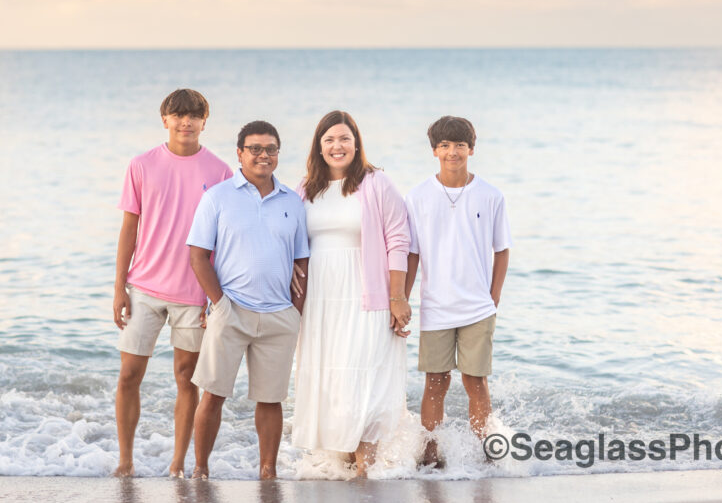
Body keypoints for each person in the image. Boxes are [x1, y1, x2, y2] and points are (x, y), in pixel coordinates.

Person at [111, 88, 232, 478]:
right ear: (164, 120)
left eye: (194, 116)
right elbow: (129, 228)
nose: (186, 122)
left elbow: (224, 240)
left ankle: (179, 463)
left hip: (193, 294)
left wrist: (212, 298)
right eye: (178, 115)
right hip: (143, 288)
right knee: (129, 375)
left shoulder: (219, 172)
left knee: (186, 378)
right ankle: (126, 461)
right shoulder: (142, 165)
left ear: (204, 122)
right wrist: (118, 287)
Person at [186, 120, 310, 480]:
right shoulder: (218, 198)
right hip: (231, 312)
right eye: (254, 148)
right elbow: (198, 256)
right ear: (239, 153)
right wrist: (220, 305)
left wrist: (295, 312)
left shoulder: (292, 202)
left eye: (271, 149)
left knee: (271, 400)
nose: (263, 155)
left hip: (279, 317)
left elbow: (301, 259)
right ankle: (200, 470)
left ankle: (268, 472)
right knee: (213, 394)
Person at [291, 110, 411, 478]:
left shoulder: (376, 183)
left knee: (363, 375)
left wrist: (397, 296)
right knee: (331, 376)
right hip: (320, 300)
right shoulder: (306, 188)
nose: (337, 146)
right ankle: (336, 461)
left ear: (356, 143)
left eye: (344, 138)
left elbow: (399, 239)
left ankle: (365, 466)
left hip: (365, 294)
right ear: (319, 147)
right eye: (329, 140)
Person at [404, 115, 511, 467]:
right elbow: (413, 254)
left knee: (475, 381)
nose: (453, 152)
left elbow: (502, 249)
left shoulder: (491, 195)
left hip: (478, 308)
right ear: (434, 150)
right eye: (445, 146)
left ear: (472, 149)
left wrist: (492, 298)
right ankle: (430, 452)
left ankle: (487, 450)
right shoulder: (417, 197)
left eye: (460, 145)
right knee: (435, 382)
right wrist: (402, 299)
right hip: (435, 306)